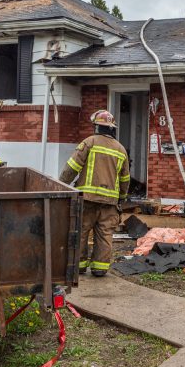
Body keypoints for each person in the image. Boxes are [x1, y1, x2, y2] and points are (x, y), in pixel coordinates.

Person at [60, 110, 130, 277]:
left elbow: (72, 168)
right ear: (112, 128)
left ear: (97, 126)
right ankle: (100, 268)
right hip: (110, 203)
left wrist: (61, 185)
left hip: (88, 199)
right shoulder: (121, 149)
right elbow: (125, 178)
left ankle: (79, 266)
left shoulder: (89, 142)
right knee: (105, 234)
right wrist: (121, 198)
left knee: (81, 231)